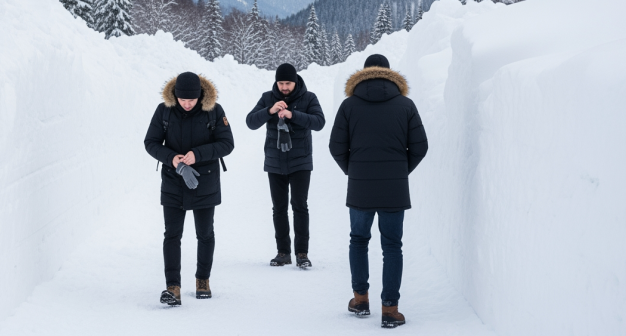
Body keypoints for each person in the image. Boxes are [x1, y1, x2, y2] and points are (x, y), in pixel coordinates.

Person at [328, 54, 428, 328]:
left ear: (364, 74)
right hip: (394, 189)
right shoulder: (406, 105)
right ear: (389, 74)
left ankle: (360, 300)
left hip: (360, 187)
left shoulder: (349, 106)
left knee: (358, 240)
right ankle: (390, 310)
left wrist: (355, 170)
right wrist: (398, 171)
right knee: (392, 246)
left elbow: (336, 147)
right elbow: (420, 147)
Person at [144, 72, 234, 307]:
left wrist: (197, 155)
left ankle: (202, 280)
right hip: (173, 181)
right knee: (172, 235)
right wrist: (173, 158)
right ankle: (172, 287)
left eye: (191, 100)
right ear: (175, 95)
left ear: (199, 96)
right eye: (183, 99)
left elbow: (227, 143)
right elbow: (150, 142)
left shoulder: (214, 110)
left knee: (205, 234)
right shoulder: (164, 110)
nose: (186, 104)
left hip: (205, 181)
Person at [246, 63, 325, 268]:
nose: (284, 87)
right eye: (280, 83)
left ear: (295, 81)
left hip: (301, 162)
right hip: (275, 162)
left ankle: (302, 253)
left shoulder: (309, 98)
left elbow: (319, 122)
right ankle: (283, 252)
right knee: (279, 208)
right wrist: (270, 111)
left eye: (288, 83)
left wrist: (293, 115)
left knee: (300, 207)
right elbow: (251, 122)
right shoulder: (267, 97)